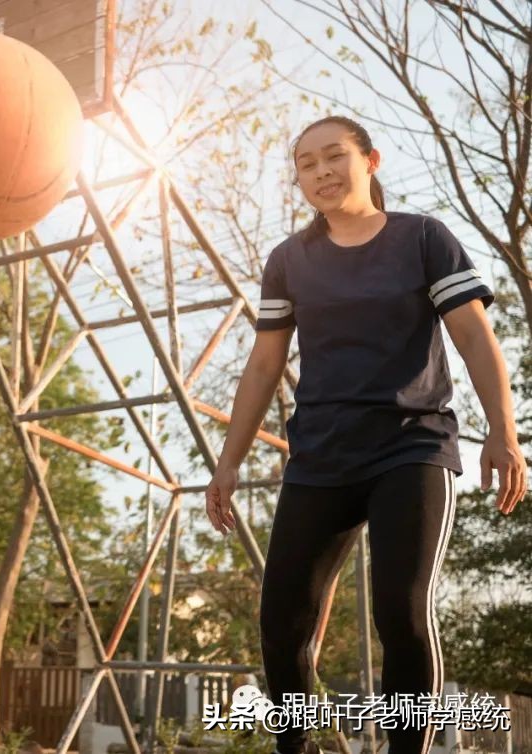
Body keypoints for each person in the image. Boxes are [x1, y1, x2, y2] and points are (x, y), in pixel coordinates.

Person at [205, 116, 526, 754]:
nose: (321, 172)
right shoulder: (289, 261)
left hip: (411, 447)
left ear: (370, 161)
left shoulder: (423, 238)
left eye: (334, 157)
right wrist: (228, 461)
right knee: (282, 621)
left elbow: (471, 335)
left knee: (401, 611)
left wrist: (503, 433)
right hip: (319, 457)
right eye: (306, 164)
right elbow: (265, 364)